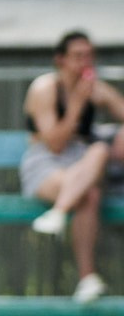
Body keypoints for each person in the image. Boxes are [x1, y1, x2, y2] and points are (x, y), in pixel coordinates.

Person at [21, 30, 123, 301]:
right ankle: (87, 276)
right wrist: (77, 103)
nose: (85, 63)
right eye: (78, 57)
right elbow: (54, 143)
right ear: (60, 60)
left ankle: (58, 214)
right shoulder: (45, 89)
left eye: (90, 56)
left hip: (82, 163)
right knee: (89, 193)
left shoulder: (97, 90)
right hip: (46, 164)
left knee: (99, 152)